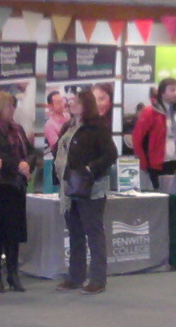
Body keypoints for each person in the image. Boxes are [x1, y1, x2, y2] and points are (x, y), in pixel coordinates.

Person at [54, 90, 118, 294]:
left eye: (76, 102)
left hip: (91, 187)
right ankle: (75, 276)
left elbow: (110, 154)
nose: (71, 104)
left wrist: (90, 169)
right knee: (74, 233)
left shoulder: (97, 127)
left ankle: (98, 279)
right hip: (69, 186)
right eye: (71, 101)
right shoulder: (68, 125)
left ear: (86, 105)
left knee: (94, 232)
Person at [0, 91, 38, 293]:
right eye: (9, 106)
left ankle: (13, 274)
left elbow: (32, 151)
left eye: (14, 105)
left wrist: (26, 164)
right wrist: (18, 164)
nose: (12, 109)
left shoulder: (18, 129)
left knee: (14, 234)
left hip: (17, 187)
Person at [132, 78, 176, 189]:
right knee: (162, 198)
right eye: (172, 90)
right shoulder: (150, 112)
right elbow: (137, 138)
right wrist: (143, 163)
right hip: (160, 164)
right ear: (162, 92)